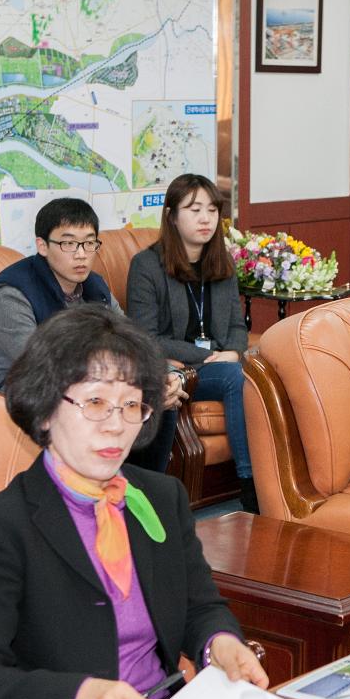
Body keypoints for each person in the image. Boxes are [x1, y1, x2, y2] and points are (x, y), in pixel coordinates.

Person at [0, 305, 267, 699]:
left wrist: (220, 645)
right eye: (95, 403)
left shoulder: (159, 496)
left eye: (132, 406)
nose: (116, 427)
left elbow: (200, 607)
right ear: (47, 409)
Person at [0, 197, 185, 472]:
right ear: (42, 246)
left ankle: (137, 495)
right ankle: (96, 494)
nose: (81, 254)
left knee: (156, 398)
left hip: (81, 383)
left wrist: (166, 375)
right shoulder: (11, 295)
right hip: (6, 392)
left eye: (89, 243)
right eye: (68, 243)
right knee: (108, 402)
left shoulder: (94, 286)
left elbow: (132, 343)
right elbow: (39, 365)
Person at [126, 174, 257, 512]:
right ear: (171, 215)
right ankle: (251, 487)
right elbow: (146, 338)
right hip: (179, 368)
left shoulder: (221, 262)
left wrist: (233, 351)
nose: (205, 218)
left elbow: (235, 326)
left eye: (212, 210)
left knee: (254, 371)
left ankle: (271, 482)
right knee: (233, 376)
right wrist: (212, 355)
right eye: (194, 209)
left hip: (218, 363)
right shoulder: (146, 266)